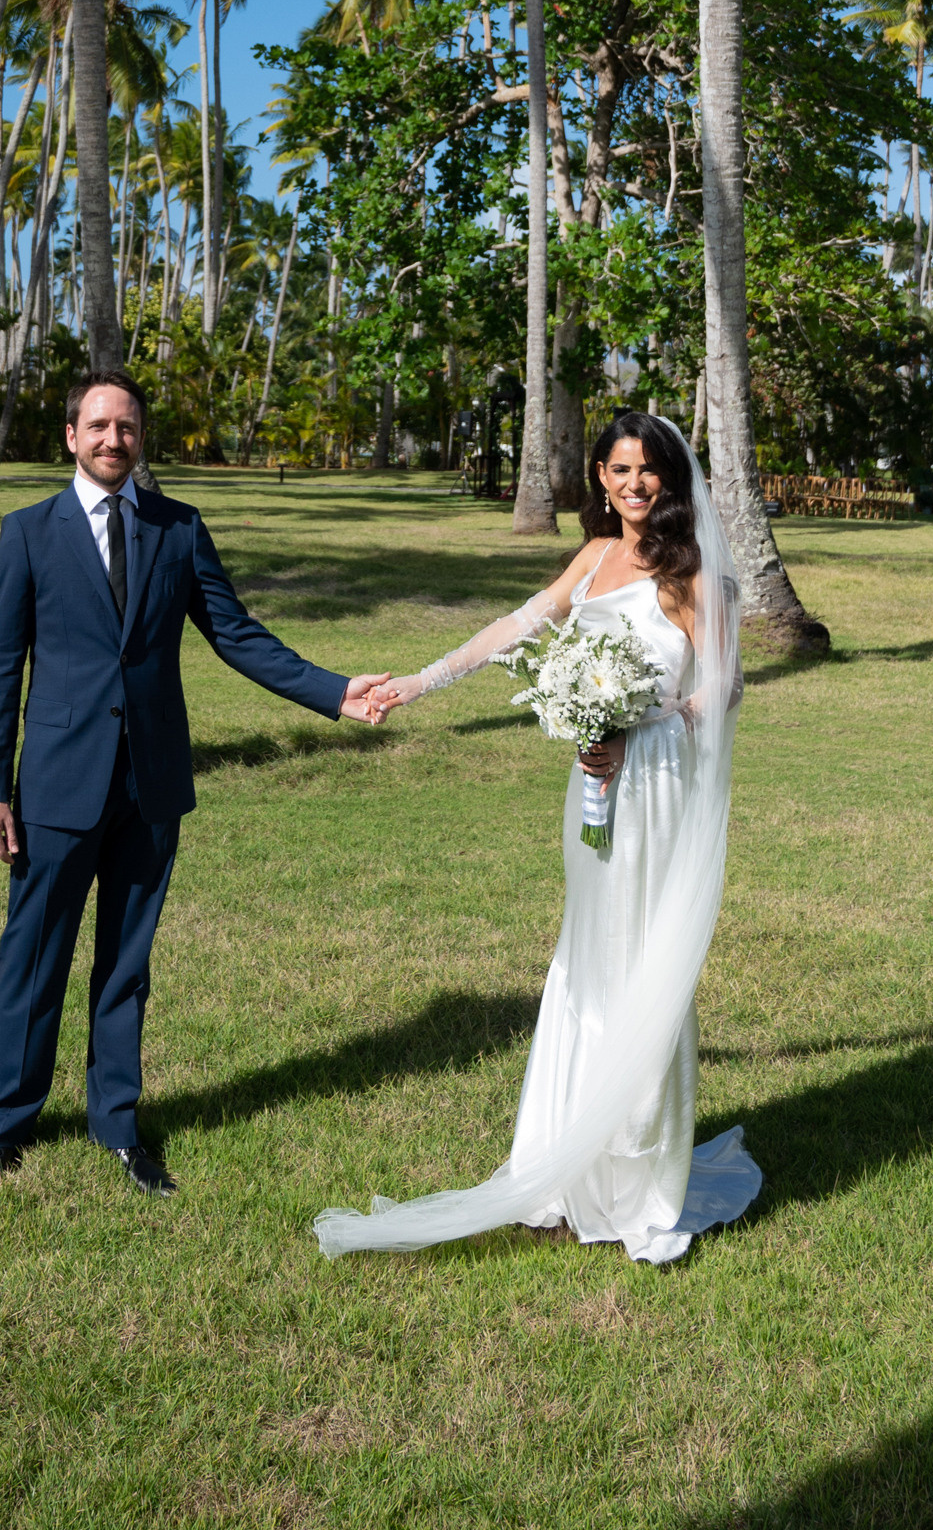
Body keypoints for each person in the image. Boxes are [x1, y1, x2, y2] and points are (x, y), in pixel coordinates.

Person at [316, 410, 762, 1261]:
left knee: (639, 961)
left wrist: (644, 724)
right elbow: (516, 628)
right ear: (598, 476)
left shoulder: (689, 570)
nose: (635, 485)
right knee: (588, 959)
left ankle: (637, 1182)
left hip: (655, 783)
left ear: (670, 477)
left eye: (650, 470)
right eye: (620, 470)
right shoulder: (594, 558)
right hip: (593, 787)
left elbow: (724, 690)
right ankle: (561, 1165)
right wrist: (420, 681)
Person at [0, 368, 388, 1196]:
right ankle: (1, 1130)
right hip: (55, 786)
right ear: (70, 437)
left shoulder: (178, 528)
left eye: (126, 428)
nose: (112, 440)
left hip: (151, 786)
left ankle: (118, 1128)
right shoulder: (26, 533)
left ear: (140, 439)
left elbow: (237, 635)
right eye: (97, 427)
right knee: (34, 959)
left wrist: (335, 691)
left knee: (126, 965)